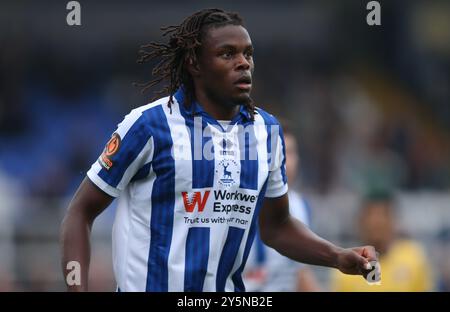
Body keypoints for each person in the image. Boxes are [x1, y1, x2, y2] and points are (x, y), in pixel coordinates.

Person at [60, 8, 377, 292]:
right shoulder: (148, 125)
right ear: (194, 63)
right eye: (227, 54)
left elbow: (277, 226)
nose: (243, 63)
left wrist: (337, 257)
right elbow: (80, 212)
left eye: (248, 54)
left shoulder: (266, 132)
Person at [244, 122, 321, 291]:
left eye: (290, 152)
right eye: (277, 152)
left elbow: (301, 273)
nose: (284, 160)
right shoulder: (234, 205)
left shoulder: (301, 207)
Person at [330, 190, 433, 292]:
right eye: (370, 215)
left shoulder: (414, 258)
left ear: (394, 220)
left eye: (383, 215)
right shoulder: (348, 266)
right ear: (360, 221)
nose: (377, 222)